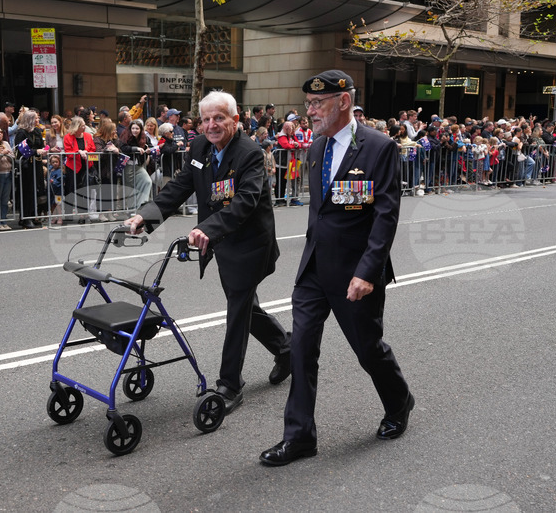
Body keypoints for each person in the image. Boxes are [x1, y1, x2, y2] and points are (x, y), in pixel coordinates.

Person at [260, 70, 413, 467]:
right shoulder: (316, 148)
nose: (310, 111)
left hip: (355, 272)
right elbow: (321, 213)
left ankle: (399, 401)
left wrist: (367, 271)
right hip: (314, 269)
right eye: (308, 104)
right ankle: (299, 437)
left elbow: (385, 216)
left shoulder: (378, 147)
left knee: (368, 349)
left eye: (318, 103)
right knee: (301, 349)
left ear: (343, 101)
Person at [124, 90, 291, 413]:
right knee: (244, 305)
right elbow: (180, 186)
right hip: (220, 240)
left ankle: (229, 385)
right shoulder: (200, 146)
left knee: (238, 309)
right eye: (205, 119)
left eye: (219, 118)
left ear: (236, 120)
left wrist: (208, 228)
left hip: (250, 245)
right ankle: (286, 348)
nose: (211, 125)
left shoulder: (250, 153)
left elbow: (245, 201)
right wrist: (146, 216)